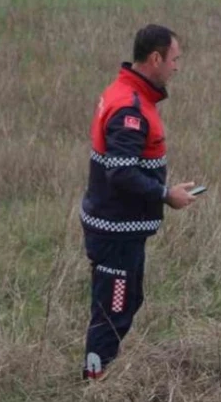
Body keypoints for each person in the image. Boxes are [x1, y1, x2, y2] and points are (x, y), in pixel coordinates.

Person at [79, 24, 198, 382]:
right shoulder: (130, 108)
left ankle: (99, 374)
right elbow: (121, 172)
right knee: (112, 311)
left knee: (126, 302)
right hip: (114, 232)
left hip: (120, 230)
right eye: (174, 59)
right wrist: (166, 195)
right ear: (156, 58)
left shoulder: (129, 93)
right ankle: (94, 383)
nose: (177, 67)